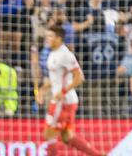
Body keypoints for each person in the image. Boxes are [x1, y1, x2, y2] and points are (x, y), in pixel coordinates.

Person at [37, 25, 103, 156]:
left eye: (50, 36)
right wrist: (42, 90)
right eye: (47, 36)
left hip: (63, 101)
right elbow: (55, 79)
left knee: (49, 134)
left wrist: (62, 92)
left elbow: (79, 77)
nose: (47, 39)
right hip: (62, 100)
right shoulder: (52, 53)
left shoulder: (65, 54)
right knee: (67, 136)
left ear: (59, 38)